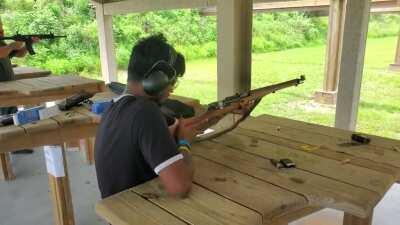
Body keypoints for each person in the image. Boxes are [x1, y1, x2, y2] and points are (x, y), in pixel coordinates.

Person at [95, 34, 207, 199]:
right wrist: (185, 143)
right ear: (157, 80)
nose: (172, 89)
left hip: (121, 209)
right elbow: (180, 187)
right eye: (172, 81)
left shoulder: (113, 108)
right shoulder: (145, 112)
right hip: (140, 214)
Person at [0, 17, 39, 154]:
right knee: (4, 118)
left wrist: (28, 44)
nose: (2, 30)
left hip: (8, 86)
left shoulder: (2, 42)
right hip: (1, 89)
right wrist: (12, 45)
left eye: (2, 27)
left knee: (12, 115)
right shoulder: (4, 45)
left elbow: (19, 54)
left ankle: (15, 145)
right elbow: (3, 52)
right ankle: (8, 146)